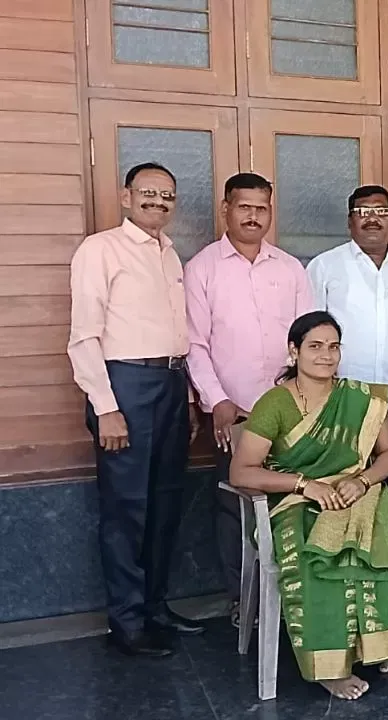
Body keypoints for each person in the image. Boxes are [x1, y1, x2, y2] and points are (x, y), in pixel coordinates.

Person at [229, 311, 388, 701]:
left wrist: (362, 481)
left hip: (357, 492)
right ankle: (330, 668)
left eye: (333, 347)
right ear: (294, 351)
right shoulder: (275, 404)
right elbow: (241, 472)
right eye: (315, 346)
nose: (326, 355)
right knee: (319, 555)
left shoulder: (361, 398)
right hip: (294, 502)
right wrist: (305, 484)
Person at [69, 162, 203, 656]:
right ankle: (126, 623)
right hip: (124, 385)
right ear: (126, 197)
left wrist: (189, 398)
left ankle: (154, 606)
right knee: (126, 508)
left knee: (165, 503)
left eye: (167, 195)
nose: (158, 201)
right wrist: (106, 407)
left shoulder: (170, 254)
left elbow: (176, 333)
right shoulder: (100, 249)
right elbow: (84, 337)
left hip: (170, 383)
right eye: (148, 192)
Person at [185, 172, 311, 625]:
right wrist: (216, 400)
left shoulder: (290, 269)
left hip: (291, 411)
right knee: (235, 507)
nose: (253, 216)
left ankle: (297, 599)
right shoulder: (202, 268)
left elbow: (308, 339)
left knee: (294, 500)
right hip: (234, 414)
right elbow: (194, 344)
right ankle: (244, 599)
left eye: (261, 208)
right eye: (244, 207)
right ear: (226, 209)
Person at [307, 185, 388, 404]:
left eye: (381, 211)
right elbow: (310, 334)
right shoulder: (324, 267)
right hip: (341, 399)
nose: (372, 219)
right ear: (349, 222)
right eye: (362, 212)